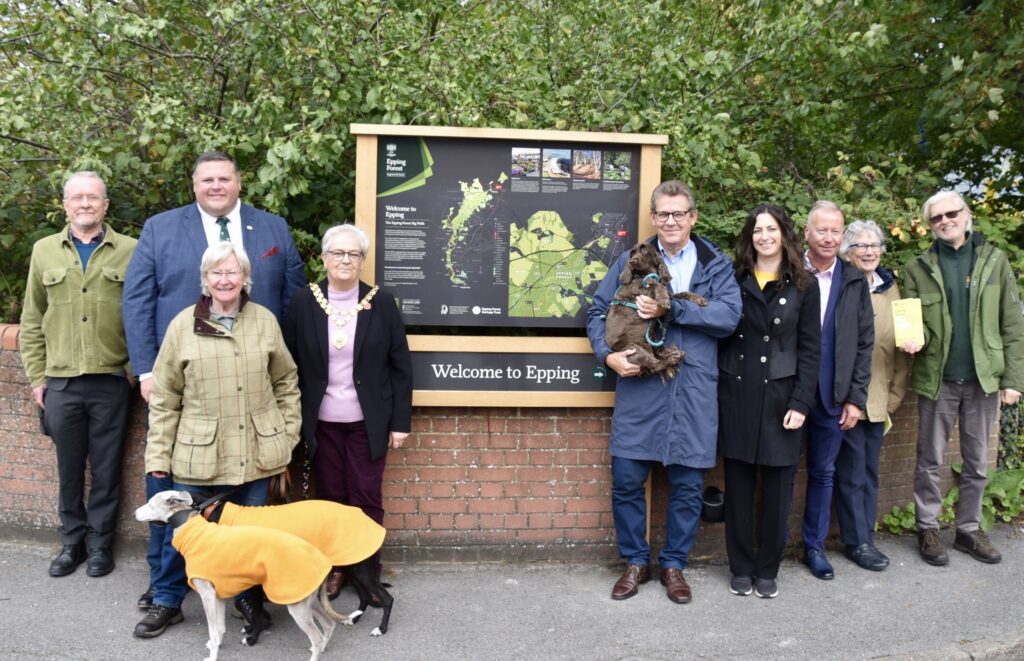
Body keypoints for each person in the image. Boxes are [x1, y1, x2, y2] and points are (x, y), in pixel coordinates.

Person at [124, 150, 305, 639]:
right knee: (177, 516)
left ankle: (248, 597)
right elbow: (138, 300)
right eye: (208, 179)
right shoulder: (162, 232)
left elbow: (292, 310)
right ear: (194, 184)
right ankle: (167, 595)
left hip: (254, 420)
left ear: (239, 183)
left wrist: (285, 431)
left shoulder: (272, 232)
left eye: (225, 178)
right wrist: (146, 370)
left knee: (247, 524)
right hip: (194, 411)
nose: (217, 186)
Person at [587, 180, 741, 604]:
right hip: (640, 387)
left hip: (692, 389)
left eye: (679, 213)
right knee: (627, 481)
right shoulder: (631, 260)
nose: (671, 221)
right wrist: (606, 355)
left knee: (689, 486)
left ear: (693, 217)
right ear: (653, 218)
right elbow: (598, 310)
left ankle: (674, 565)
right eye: (663, 214)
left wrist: (673, 307)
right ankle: (636, 562)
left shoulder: (714, 263)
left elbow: (728, 317)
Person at [283, 224, 413, 598]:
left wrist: (400, 422)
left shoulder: (382, 303)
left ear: (362, 260)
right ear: (323, 258)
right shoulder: (303, 302)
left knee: (366, 498)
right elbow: (288, 365)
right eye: (337, 253)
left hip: (366, 423)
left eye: (353, 254)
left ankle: (368, 572)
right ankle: (335, 568)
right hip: (319, 424)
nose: (345, 260)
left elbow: (400, 366)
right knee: (330, 499)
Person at [19, 171, 137, 578]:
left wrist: (131, 372)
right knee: (68, 469)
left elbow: (140, 316)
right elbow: (32, 321)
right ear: (65, 205)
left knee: (107, 469)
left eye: (93, 197)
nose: (85, 204)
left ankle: (101, 546)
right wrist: (38, 379)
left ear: (106, 204)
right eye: (77, 198)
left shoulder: (131, 250)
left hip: (110, 381)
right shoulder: (44, 250)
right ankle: (72, 543)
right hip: (61, 383)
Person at [900, 191, 1024, 566]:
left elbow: (1013, 324)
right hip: (937, 379)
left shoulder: (995, 261)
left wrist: (1013, 380)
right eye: (936, 218)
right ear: (929, 225)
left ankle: (968, 530)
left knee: (976, 462)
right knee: (929, 460)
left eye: (951, 213)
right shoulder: (917, 268)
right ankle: (928, 527)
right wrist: (909, 339)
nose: (945, 221)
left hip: (983, 380)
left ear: (967, 214)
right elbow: (909, 321)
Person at [718, 204, 820, 599]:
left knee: (778, 491)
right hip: (738, 392)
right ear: (750, 236)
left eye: (771, 229)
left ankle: (768, 569)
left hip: (782, 397)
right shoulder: (733, 278)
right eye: (758, 229)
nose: (764, 236)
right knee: (739, 485)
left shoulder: (803, 285)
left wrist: (801, 402)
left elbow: (811, 350)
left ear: (784, 235)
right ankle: (740, 567)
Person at [799, 200, 874, 581]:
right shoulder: (790, 272)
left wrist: (856, 398)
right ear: (807, 233)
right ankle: (772, 545)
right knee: (778, 471)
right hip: (790, 394)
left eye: (835, 231)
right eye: (822, 230)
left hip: (834, 395)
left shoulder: (854, 279)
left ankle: (814, 545)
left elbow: (864, 343)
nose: (829, 238)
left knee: (823, 473)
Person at [834, 221, 909, 571]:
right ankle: (858, 541)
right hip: (847, 396)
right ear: (847, 251)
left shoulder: (891, 289)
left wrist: (894, 397)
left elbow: (900, 348)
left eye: (874, 245)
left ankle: (866, 535)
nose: (868, 251)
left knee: (868, 472)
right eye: (860, 246)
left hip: (879, 397)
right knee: (850, 473)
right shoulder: (840, 284)